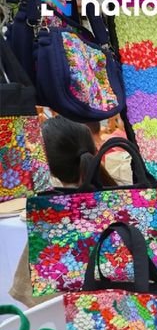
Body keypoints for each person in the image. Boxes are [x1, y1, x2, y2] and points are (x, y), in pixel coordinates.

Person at [10, 117, 118, 307]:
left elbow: (34, 301)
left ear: (47, 166)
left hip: (68, 321)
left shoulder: (49, 221)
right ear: (93, 150)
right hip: (130, 314)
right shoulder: (124, 202)